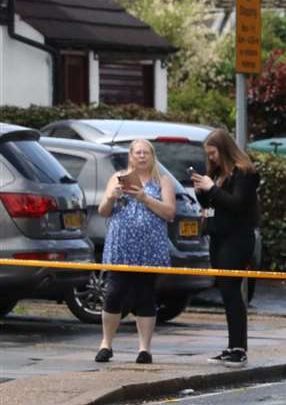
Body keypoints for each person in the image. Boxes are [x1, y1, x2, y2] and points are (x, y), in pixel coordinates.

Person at [95, 138, 176, 364]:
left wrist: (145, 198)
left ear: (152, 156)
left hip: (148, 248)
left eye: (146, 153)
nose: (141, 156)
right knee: (114, 293)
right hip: (121, 247)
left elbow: (170, 213)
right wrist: (112, 196)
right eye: (137, 152)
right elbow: (103, 211)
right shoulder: (117, 177)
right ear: (130, 156)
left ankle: (144, 349)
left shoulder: (163, 180)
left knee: (144, 295)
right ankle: (106, 344)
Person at [190, 129, 259, 364]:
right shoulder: (218, 173)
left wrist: (212, 189)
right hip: (218, 236)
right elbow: (212, 203)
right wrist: (202, 192)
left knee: (232, 291)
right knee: (226, 292)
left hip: (237, 238)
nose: (211, 159)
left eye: (214, 153)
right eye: (208, 155)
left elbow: (237, 204)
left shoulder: (244, 173)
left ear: (225, 149)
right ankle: (232, 346)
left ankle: (239, 348)